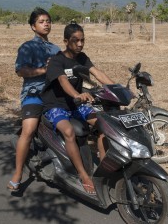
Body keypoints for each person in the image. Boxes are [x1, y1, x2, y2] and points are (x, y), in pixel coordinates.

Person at [41, 22, 114, 195]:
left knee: (106, 125)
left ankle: (103, 170)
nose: (80, 44)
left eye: (82, 40)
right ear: (66, 41)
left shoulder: (82, 58)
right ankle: (83, 175)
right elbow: (62, 81)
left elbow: (98, 73)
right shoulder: (57, 61)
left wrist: (118, 88)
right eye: (75, 40)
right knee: (68, 132)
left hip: (75, 104)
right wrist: (76, 94)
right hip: (56, 105)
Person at [8, 7, 61, 191]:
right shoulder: (27, 47)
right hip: (34, 94)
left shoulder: (56, 49)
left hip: (55, 95)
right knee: (28, 130)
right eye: (41, 21)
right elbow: (20, 71)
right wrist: (43, 70)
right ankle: (18, 172)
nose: (46, 24)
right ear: (33, 26)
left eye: (48, 21)